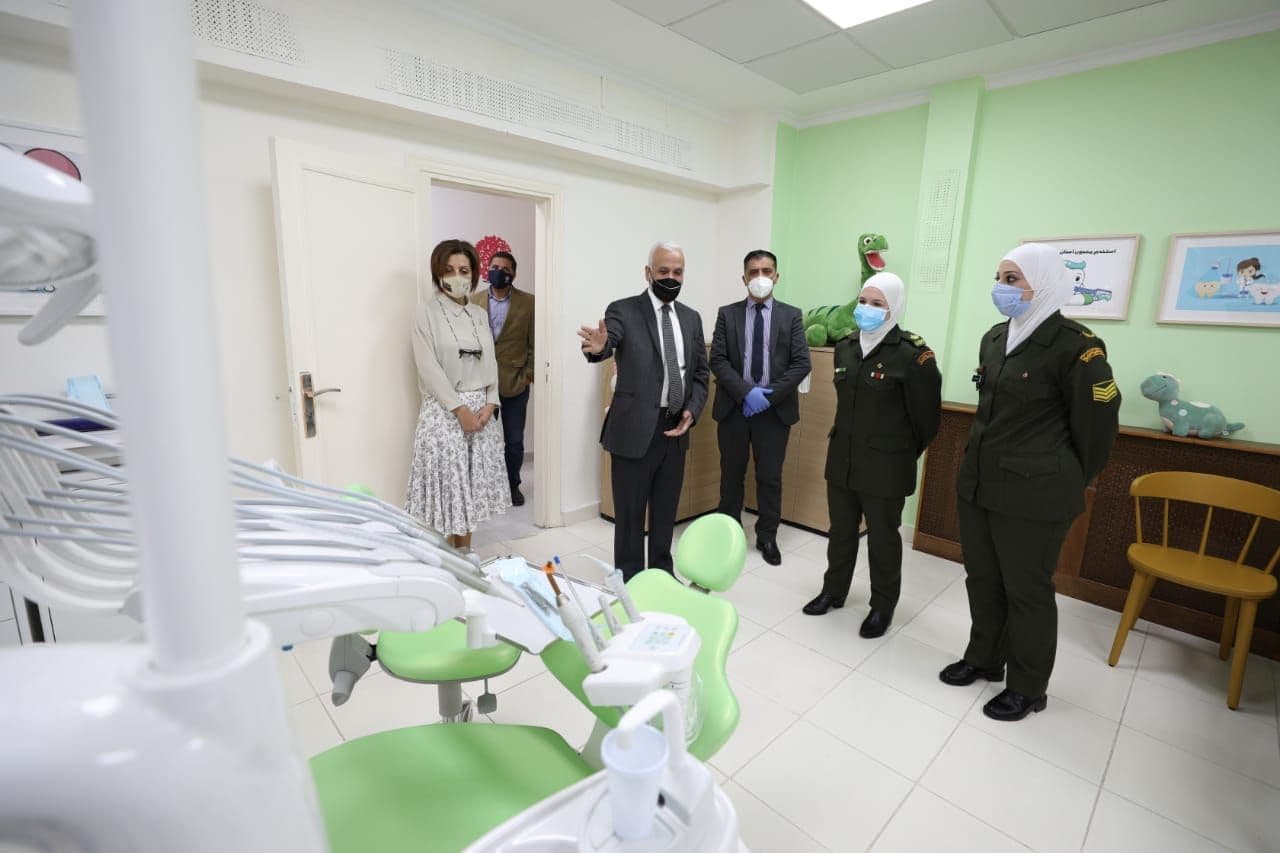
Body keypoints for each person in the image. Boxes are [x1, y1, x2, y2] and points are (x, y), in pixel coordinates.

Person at [939, 243, 1120, 721]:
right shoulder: (995, 337)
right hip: (981, 485)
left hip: (1035, 495)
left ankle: (1028, 686)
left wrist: (1061, 479)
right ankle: (984, 658)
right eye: (999, 277)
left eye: (1012, 279)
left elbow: (1097, 432)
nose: (1001, 287)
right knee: (983, 579)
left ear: (1044, 283)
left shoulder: (1076, 347)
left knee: (1027, 591)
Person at [803, 272, 941, 639]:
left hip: (886, 466)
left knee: (882, 540)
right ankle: (833, 591)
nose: (867, 309)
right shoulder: (846, 346)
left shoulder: (913, 355)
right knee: (840, 532)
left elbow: (927, 422)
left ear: (894, 307)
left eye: (877, 303)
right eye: (863, 301)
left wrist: (897, 453)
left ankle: (882, 606)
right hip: (843, 458)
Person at [578, 241, 709, 580]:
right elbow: (608, 340)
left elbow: (699, 374)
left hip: (675, 430)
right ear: (648, 272)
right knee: (630, 516)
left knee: (665, 514)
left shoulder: (691, 318)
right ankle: (632, 580)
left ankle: (662, 575)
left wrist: (692, 411)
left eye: (677, 272)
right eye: (663, 270)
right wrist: (599, 347)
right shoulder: (623, 310)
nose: (671, 277)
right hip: (634, 430)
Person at [406, 239, 510, 551]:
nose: (457, 276)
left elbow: (490, 361)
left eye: (464, 270)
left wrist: (491, 401)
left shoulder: (479, 314)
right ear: (437, 273)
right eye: (448, 269)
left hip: (481, 415)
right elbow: (428, 369)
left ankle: (463, 556)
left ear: (474, 274)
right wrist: (460, 410)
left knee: (469, 498)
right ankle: (445, 561)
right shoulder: (426, 313)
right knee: (449, 495)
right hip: (446, 413)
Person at [709, 249, 811, 566]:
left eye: (766, 271)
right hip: (734, 409)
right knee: (731, 477)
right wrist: (745, 394)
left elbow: (801, 363)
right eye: (753, 272)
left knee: (770, 478)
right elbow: (718, 360)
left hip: (774, 412)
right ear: (744, 278)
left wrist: (767, 396)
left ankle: (767, 536)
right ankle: (729, 536)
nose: (760, 277)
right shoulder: (727, 314)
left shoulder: (791, 315)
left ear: (776, 276)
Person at [471, 251, 535, 506]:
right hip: (481, 383)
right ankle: (483, 488)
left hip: (515, 383)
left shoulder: (528, 303)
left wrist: (528, 375)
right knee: (480, 439)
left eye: (505, 269)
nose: (498, 272)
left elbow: (534, 343)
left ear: (513, 274)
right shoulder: (473, 301)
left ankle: (512, 485)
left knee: (514, 441)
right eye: (494, 266)